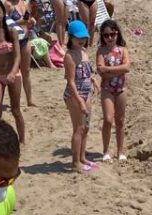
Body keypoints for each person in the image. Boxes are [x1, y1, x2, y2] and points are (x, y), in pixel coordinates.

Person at [0, 0, 26, 143]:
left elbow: (17, 56)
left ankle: (22, 140)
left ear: (3, 13)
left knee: (15, 110)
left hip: (14, 74)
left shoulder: (11, 32)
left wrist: (13, 72)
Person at [63, 19, 98, 172]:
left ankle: (83, 157)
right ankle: (75, 162)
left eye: (83, 37)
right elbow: (70, 82)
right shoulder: (69, 56)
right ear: (70, 37)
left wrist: (93, 80)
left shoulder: (84, 52)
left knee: (86, 127)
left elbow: (87, 72)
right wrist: (80, 101)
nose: (81, 40)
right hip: (74, 95)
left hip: (87, 91)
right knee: (78, 128)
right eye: (78, 37)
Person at [97, 19, 129, 162]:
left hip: (121, 88)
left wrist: (108, 70)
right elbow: (101, 71)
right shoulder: (101, 51)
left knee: (120, 120)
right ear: (102, 37)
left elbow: (127, 68)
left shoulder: (123, 49)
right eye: (106, 35)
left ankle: (120, 151)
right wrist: (118, 70)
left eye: (112, 34)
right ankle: (106, 151)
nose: (110, 37)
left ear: (117, 34)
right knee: (108, 120)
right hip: (107, 89)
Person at [6, 0, 36, 106]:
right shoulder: (8, 4)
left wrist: (32, 20)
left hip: (25, 38)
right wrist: (22, 22)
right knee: (15, 72)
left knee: (26, 71)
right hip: (13, 41)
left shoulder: (23, 2)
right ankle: (16, 101)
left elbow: (28, 19)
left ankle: (29, 99)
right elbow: (5, 23)